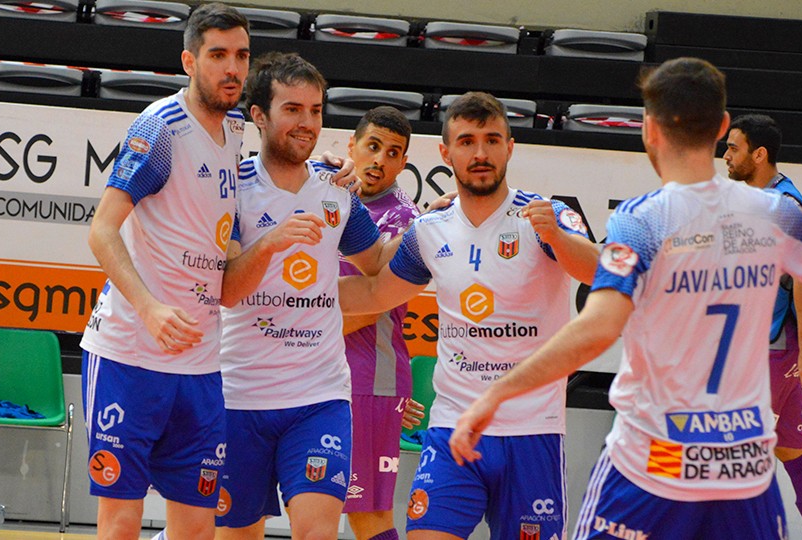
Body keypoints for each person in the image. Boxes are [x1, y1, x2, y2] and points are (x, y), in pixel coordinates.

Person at [449, 58, 802, 540]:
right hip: (742, 472)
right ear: (722, 127)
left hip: (653, 464)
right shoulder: (769, 211)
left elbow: (597, 328)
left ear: (649, 129)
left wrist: (495, 394)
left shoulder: (642, 220)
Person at [339, 91, 599, 540]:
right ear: (446, 152)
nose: (480, 153)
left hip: (532, 433)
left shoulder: (546, 215)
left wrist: (557, 237)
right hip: (452, 429)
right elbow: (374, 292)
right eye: (466, 141)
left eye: (492, 140)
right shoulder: (428, 229)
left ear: (510, 146)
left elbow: (601, 269)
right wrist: (283, 295)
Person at [80, 5, 249, 540]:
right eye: (217, 55)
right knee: (123, 521)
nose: (232, 69)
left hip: (200, 366)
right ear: (189, 61)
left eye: (241, 56)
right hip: (131, 354)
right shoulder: (161, 130)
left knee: (198, 526)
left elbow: (295, 144)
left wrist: (332, 167)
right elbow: (102, 230)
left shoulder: (239, 130)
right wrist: (149, 307)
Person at [214, 52, 399, 540]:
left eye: (316, 111)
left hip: (319, 397)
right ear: (259, 115)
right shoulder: (233, 188)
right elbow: (228, 290)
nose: (307, 123)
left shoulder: (335, 189)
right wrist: (272, 241)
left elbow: (377, 263)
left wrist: (441, 223)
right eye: (293, 109)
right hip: (240, 395)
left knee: (316, 531)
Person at [724, 113, 802, 540]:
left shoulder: (783, 205)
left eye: (734, 148)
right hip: (759, 345)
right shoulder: (748, 199)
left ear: (759, 154)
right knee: (791, 449)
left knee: (732, 448)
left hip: (771, 349)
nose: (726, 154)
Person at [339, 106, 426, 540]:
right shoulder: (326, 196)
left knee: (367, 514)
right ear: (350, 145)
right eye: (372, 146)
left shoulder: (403, 221)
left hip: (368, 378)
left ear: (403, 164)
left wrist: (296, 342)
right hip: (309, 371)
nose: (380, 159)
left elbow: (375, 306)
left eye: (393, 153)